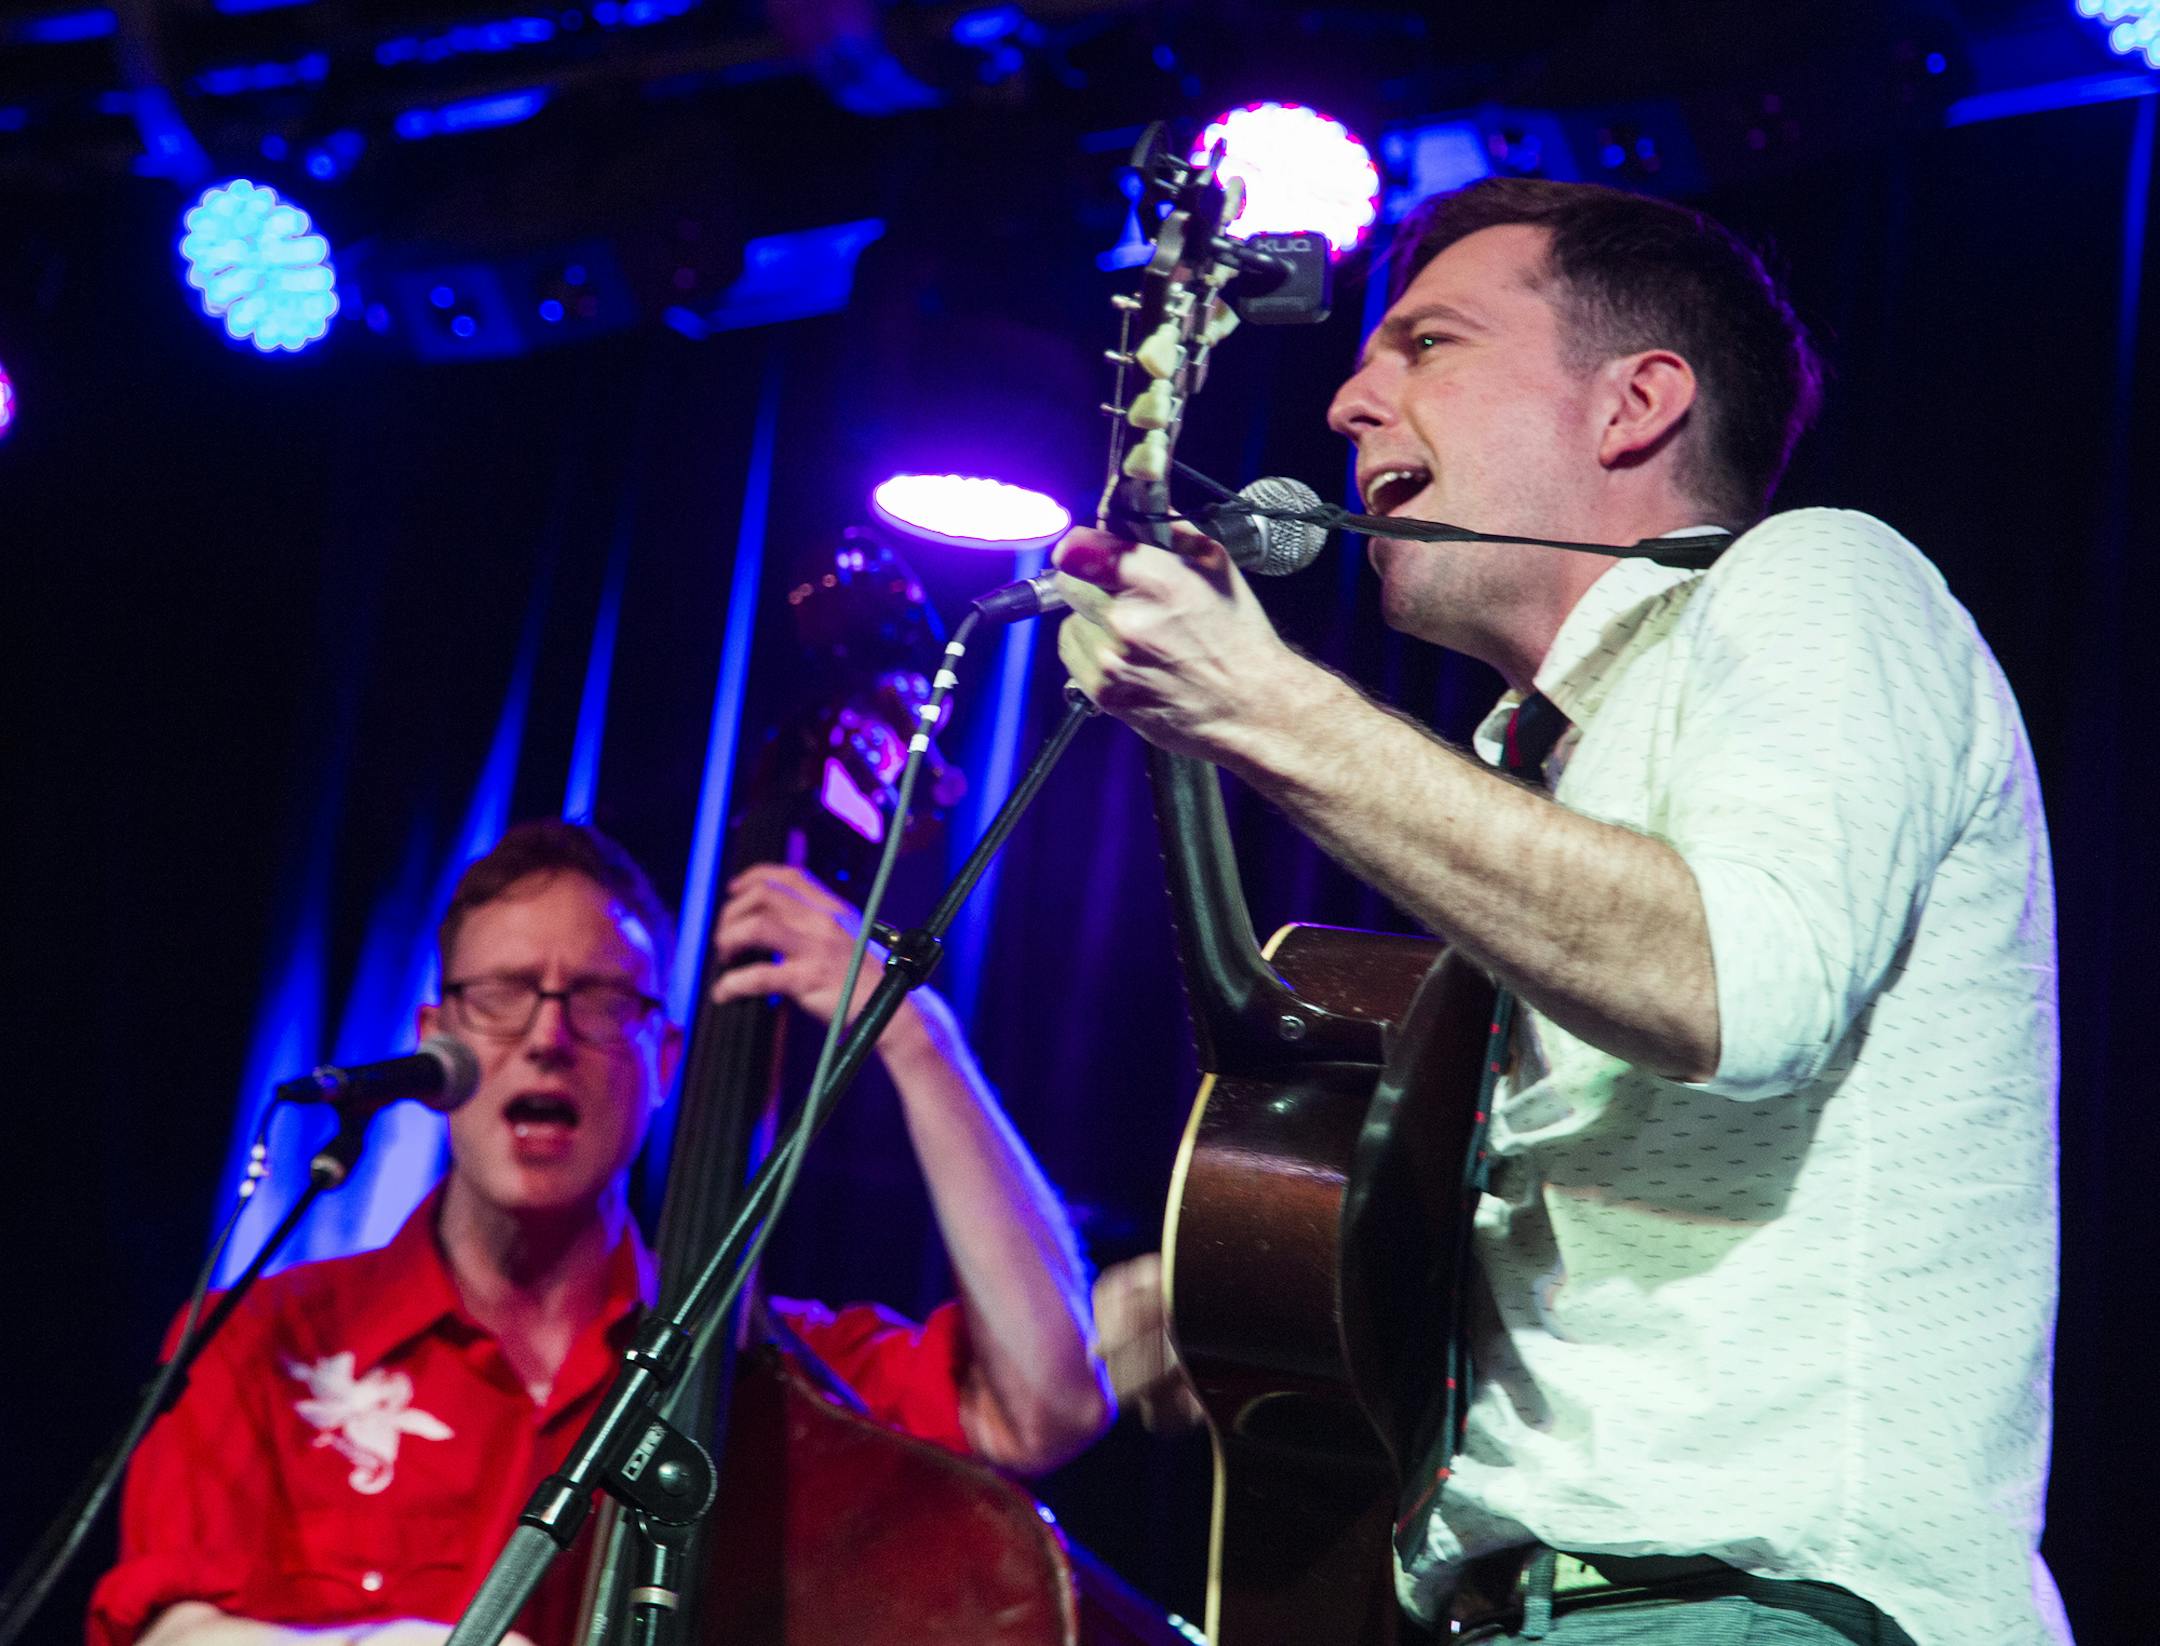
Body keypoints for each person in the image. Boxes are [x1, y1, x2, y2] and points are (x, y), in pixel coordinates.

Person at [1052, 176, 2068, 1645]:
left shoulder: (1819, 578)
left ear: (1635, 404)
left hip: (1753, 1605)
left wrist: (1264, 704)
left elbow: (1737, 985)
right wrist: (1272, 1271)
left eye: (1428, 343)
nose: (1348, 401)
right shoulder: (1540, 776)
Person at [90, 821, 1109, 1646]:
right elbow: (165, 1629)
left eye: (601, 1001)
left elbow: (1048, 1403)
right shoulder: (260, 1338)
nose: (547, 1036)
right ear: (435, 1039)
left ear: (664, 1061)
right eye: (501, 995)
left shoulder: (765, 1381)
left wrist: (914, 1033)